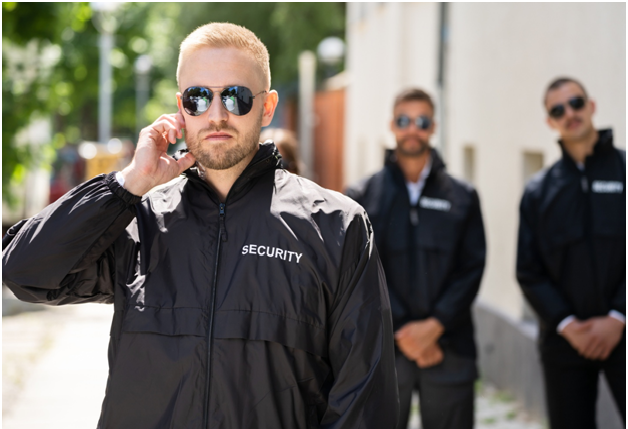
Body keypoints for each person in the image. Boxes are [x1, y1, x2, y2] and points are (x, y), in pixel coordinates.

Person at [2, 23, 399, 429]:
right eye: (198, 97)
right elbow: (23, 272)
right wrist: (128, 183)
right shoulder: (141, 219)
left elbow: (364, 402)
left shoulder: (335, 225)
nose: (217, 114)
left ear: (267, 106)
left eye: (236, 96)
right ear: (180, 107)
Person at [345, 88, 486, 429]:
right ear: (392, 126)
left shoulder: (463, 197)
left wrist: (433, 327)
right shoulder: (361, 197)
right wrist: (404, 332)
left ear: (433, 127)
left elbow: (471, 268)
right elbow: (360, 272)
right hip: (384, 350)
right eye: (404, 120)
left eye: (421, 121)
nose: (412, 129)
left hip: (448, 345)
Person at [516, 77, 625, 429]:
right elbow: (528, 270)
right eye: (558, 110)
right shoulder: (538, 191)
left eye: (576, 103)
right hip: (566, 341)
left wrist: (618, 317)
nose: (570, 114)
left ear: (591, 106)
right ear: (550, 122)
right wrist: (568, 325)